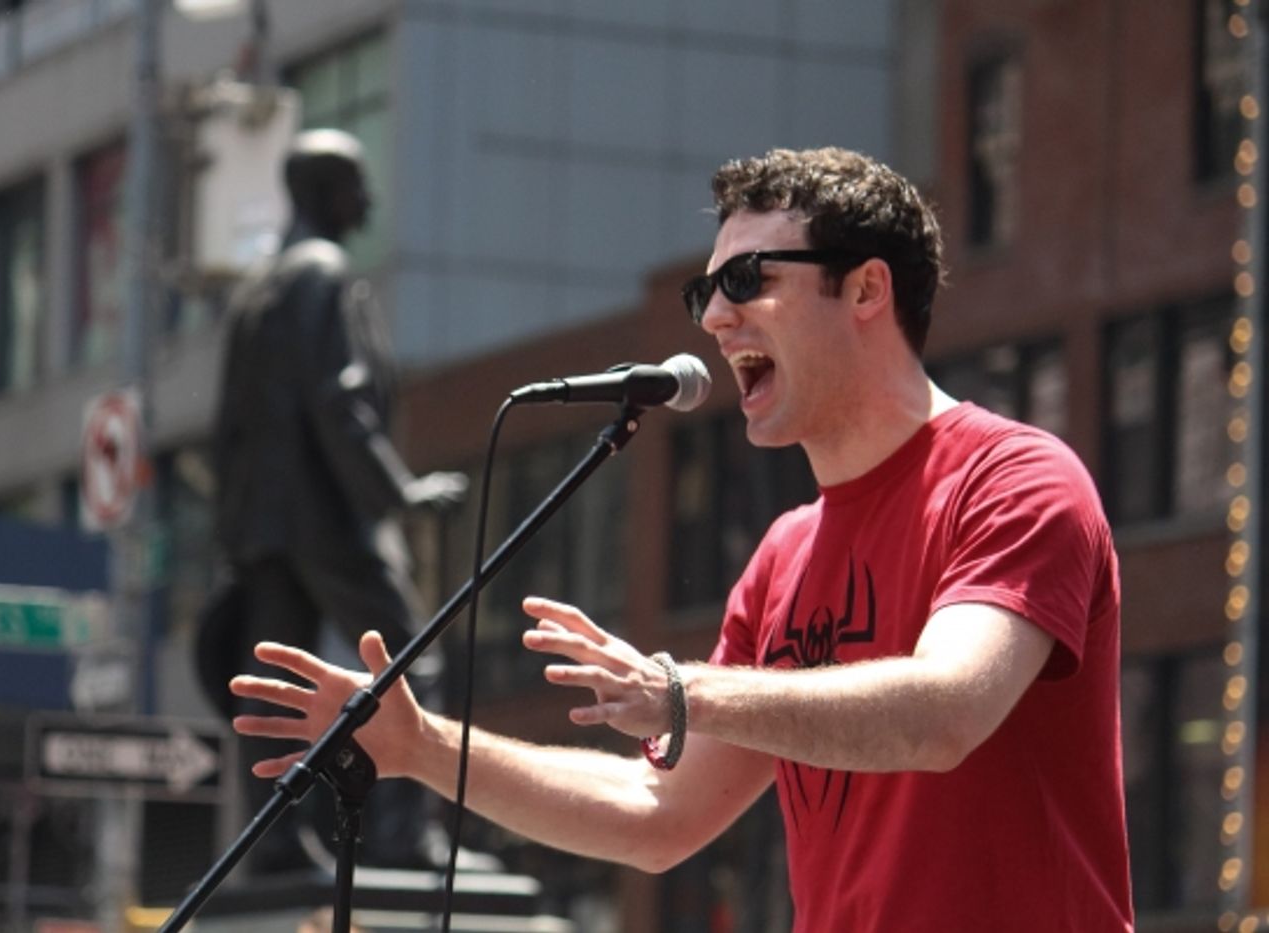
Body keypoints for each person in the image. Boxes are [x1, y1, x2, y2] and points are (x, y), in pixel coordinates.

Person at [227, 147, 1134, 930]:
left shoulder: (1015, 479)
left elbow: (945, 712)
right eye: (707, 290)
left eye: (747, 280)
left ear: (866, 288)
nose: (712, 318)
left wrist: (681, 690)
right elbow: (657, 814)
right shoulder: (784, 555)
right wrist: (425, 746)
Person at [203, 128, 467, 874]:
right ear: (325, 192)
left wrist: (237, 531)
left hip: (263, 526)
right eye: (357, 184)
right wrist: (399, 492)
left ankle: (273, 845)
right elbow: (340, 400)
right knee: (410, 659)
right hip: (323, 515)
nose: (370, 199)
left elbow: (225, 426)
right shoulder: (323, 274)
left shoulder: (256, 289)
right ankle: (404, 837)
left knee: (275, 685)